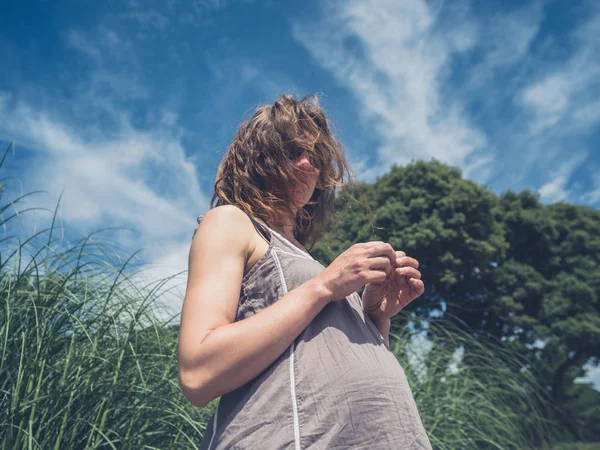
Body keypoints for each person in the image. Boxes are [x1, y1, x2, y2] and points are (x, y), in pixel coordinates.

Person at [178, 94, 432, 449]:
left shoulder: (313, 264)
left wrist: (376, 317)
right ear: (258, 157)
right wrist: (325, 285)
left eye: (316, 156)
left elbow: (326, 362)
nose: (308, 164)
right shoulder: (231, 223)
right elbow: (198, 371)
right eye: (293, 149)